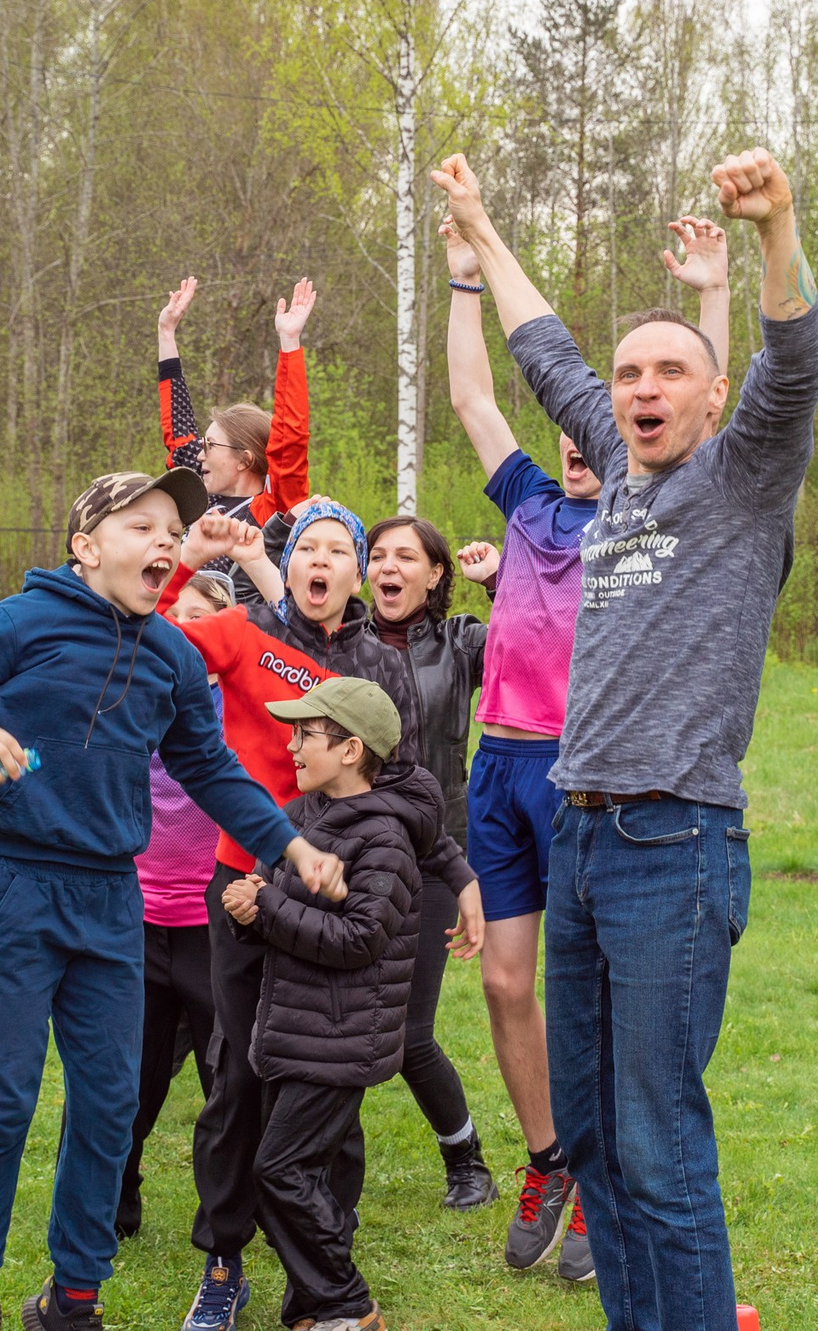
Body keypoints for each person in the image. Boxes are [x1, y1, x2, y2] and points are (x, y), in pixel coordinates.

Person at [437, 146, 818, 1331]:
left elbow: (796, 362)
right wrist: (481, 231)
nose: (642, 389)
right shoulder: (611, 472)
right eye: (629, 374)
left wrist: (774, 230)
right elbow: (542, 353)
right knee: (598, 1140)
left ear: (712, 397)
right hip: (582, 836)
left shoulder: (743, 481)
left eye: (670, 371)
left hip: (673, 844)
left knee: (657, 1142)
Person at [0, 470, 350, 1331]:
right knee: (2, 1104)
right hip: (18, 891)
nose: (165, 541)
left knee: (108, 1108)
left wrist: (291, 844)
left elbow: (211, 768)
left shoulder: (171, 654)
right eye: (143, 526)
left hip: (111, 903)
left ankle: (73, 1298)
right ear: (87, 546)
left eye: (172, 529)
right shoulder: (19, 622)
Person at [440, 204, 732, 1283]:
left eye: (591, 425)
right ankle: (552, 1157)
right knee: (505, 983)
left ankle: (606, 1189)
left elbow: (708, 417)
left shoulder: (656, 512)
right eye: (601, 398)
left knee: (609, 1007)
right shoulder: (525, 502)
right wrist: (464, 275)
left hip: (598, 780)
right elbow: (476, 398)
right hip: (503, 762)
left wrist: (714, 293)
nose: (578, 437)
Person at [154, 502, 485, 1331]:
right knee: (238, 1078)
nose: (323, 559)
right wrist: (185, 558)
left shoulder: (381, 660)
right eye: (309, 545)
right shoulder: (245, 632)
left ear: (355, 571)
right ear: (288, 562)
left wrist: (457, 872)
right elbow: (147, 642)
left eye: (341, 548)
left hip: (333, 894)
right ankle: (223, 1262)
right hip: (244, 885)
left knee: (328, 1086)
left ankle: (321, 1276)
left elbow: (411, 783)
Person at [221, 675, 474, 1331]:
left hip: (338, 1039)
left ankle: (346, 1303)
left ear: (351, 749)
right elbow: (280, 903)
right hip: (295, 1028)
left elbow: (359, 939)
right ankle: (310, 1307)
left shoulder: (384, 838)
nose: (292, 745)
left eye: (305, 734)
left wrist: (268, 906)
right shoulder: (306, 817)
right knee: (293, 1175)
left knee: (281, 1172)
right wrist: (250, 908)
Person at [360, 512, 503, 1211]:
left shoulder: (462, 641)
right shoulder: (343, 641)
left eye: (406, 557)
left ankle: (466, 1160)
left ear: (436, 573)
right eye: (378, 555)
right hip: (349, 852)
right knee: (338, 1024)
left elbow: (537, 642)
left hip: (436, 853)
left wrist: (501, 582)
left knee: (409, 1032)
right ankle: (316, 1170)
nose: (388, 567)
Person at [116, 571, 234, 1241]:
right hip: (135, 918)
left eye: (202, 619)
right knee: (128, 1076)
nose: (186, 629)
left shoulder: (238, 703)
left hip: (212, 926)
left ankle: (223, 1215)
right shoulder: (131, 690)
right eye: (176, 615)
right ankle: (113, 1196)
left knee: (227, 1080)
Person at [157, 274, 315, 601]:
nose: (199, 454)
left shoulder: (270, 509)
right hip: (174, 621)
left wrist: (290, 343)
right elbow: (178, 427)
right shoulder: (199, 493)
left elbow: (289, 442)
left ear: (245, 459)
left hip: (237, 629)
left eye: (210, 446)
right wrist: (166, 332)